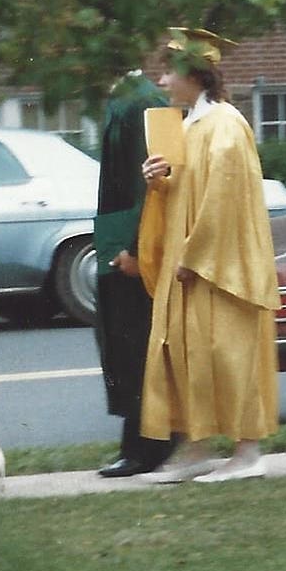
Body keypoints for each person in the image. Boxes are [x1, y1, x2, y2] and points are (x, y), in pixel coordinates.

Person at [139, 28, 280, 482]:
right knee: (190, 356)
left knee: (228, 353)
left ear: (191, 75)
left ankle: (247, 451)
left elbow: (225, 200)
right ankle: (196, 446)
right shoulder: (189, 126)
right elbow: (184, 194)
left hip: (218, 266)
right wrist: (158, 180)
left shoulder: (226, 125)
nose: (162, 82)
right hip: (190, 265)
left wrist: (194, 255)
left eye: (168, 72)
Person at [93, 70, 176, 477]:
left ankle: (150, 446)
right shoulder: (123, 97)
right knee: (126, 346)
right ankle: (139, 443)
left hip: (135, 245)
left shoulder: (142, 102)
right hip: (117, 238)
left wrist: (137, 248)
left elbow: (153, 185)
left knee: (139, 345)